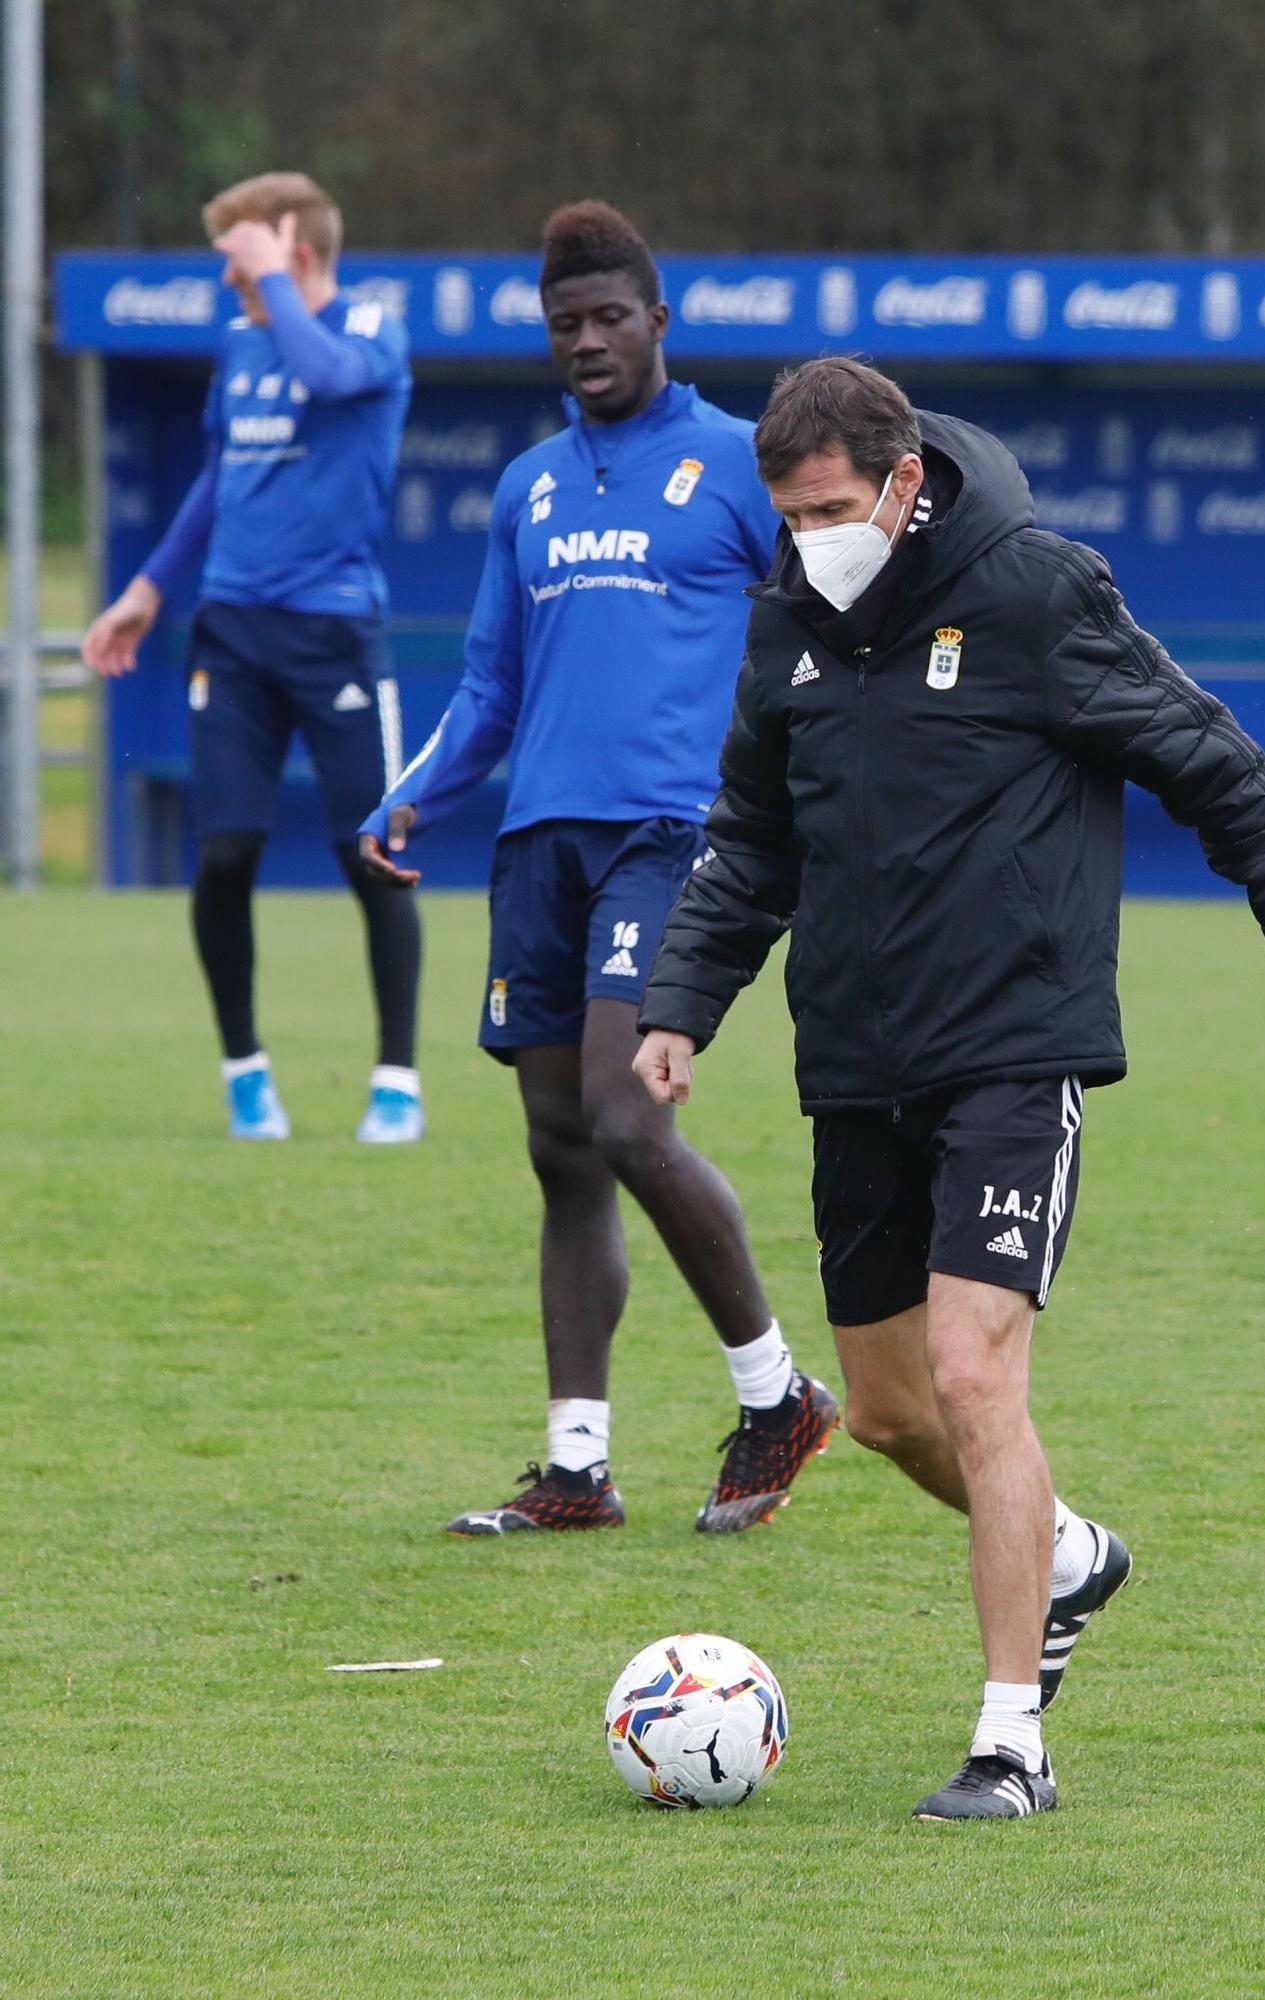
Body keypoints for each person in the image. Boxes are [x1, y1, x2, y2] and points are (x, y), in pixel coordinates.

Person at [635, 356, 1265, 1821]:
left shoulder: (1031, 592)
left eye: (831, 508)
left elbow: (1203, 752)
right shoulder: (788, 624)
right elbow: (752, 838)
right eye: (787, 515)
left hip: (1014, 1048)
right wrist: (680, 1009)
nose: (808, 538)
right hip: (853, 1062)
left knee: (975, 1377)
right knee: (896, 1414)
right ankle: (1072, 1557)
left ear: (904, 485)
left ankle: (1009, 1742)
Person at [359, 202, 838, 1535]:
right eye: (564, 323)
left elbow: (829, 620)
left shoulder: (740, 462)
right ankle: (578, 1468)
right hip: (538, 846)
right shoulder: (529, 486)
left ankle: (776, 1396)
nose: (586, 341)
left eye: (608, 317)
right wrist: (414, 800)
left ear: (657, 323)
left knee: (630, 1119)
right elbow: (488, 686)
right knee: (564, 1149)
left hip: (670, 837)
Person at [82, 173, 423, 1144]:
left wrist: (273, 278)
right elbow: (218, 480)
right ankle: (246, 1075)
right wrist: (148, 588)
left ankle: (396, 1080)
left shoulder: (371, 333)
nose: (230, 284)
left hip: (335, 631)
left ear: (293, 255)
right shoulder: (241, 342)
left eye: (240, 262)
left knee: (374, 855)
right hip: (231, 628)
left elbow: (321, 375)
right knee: (226, 851)